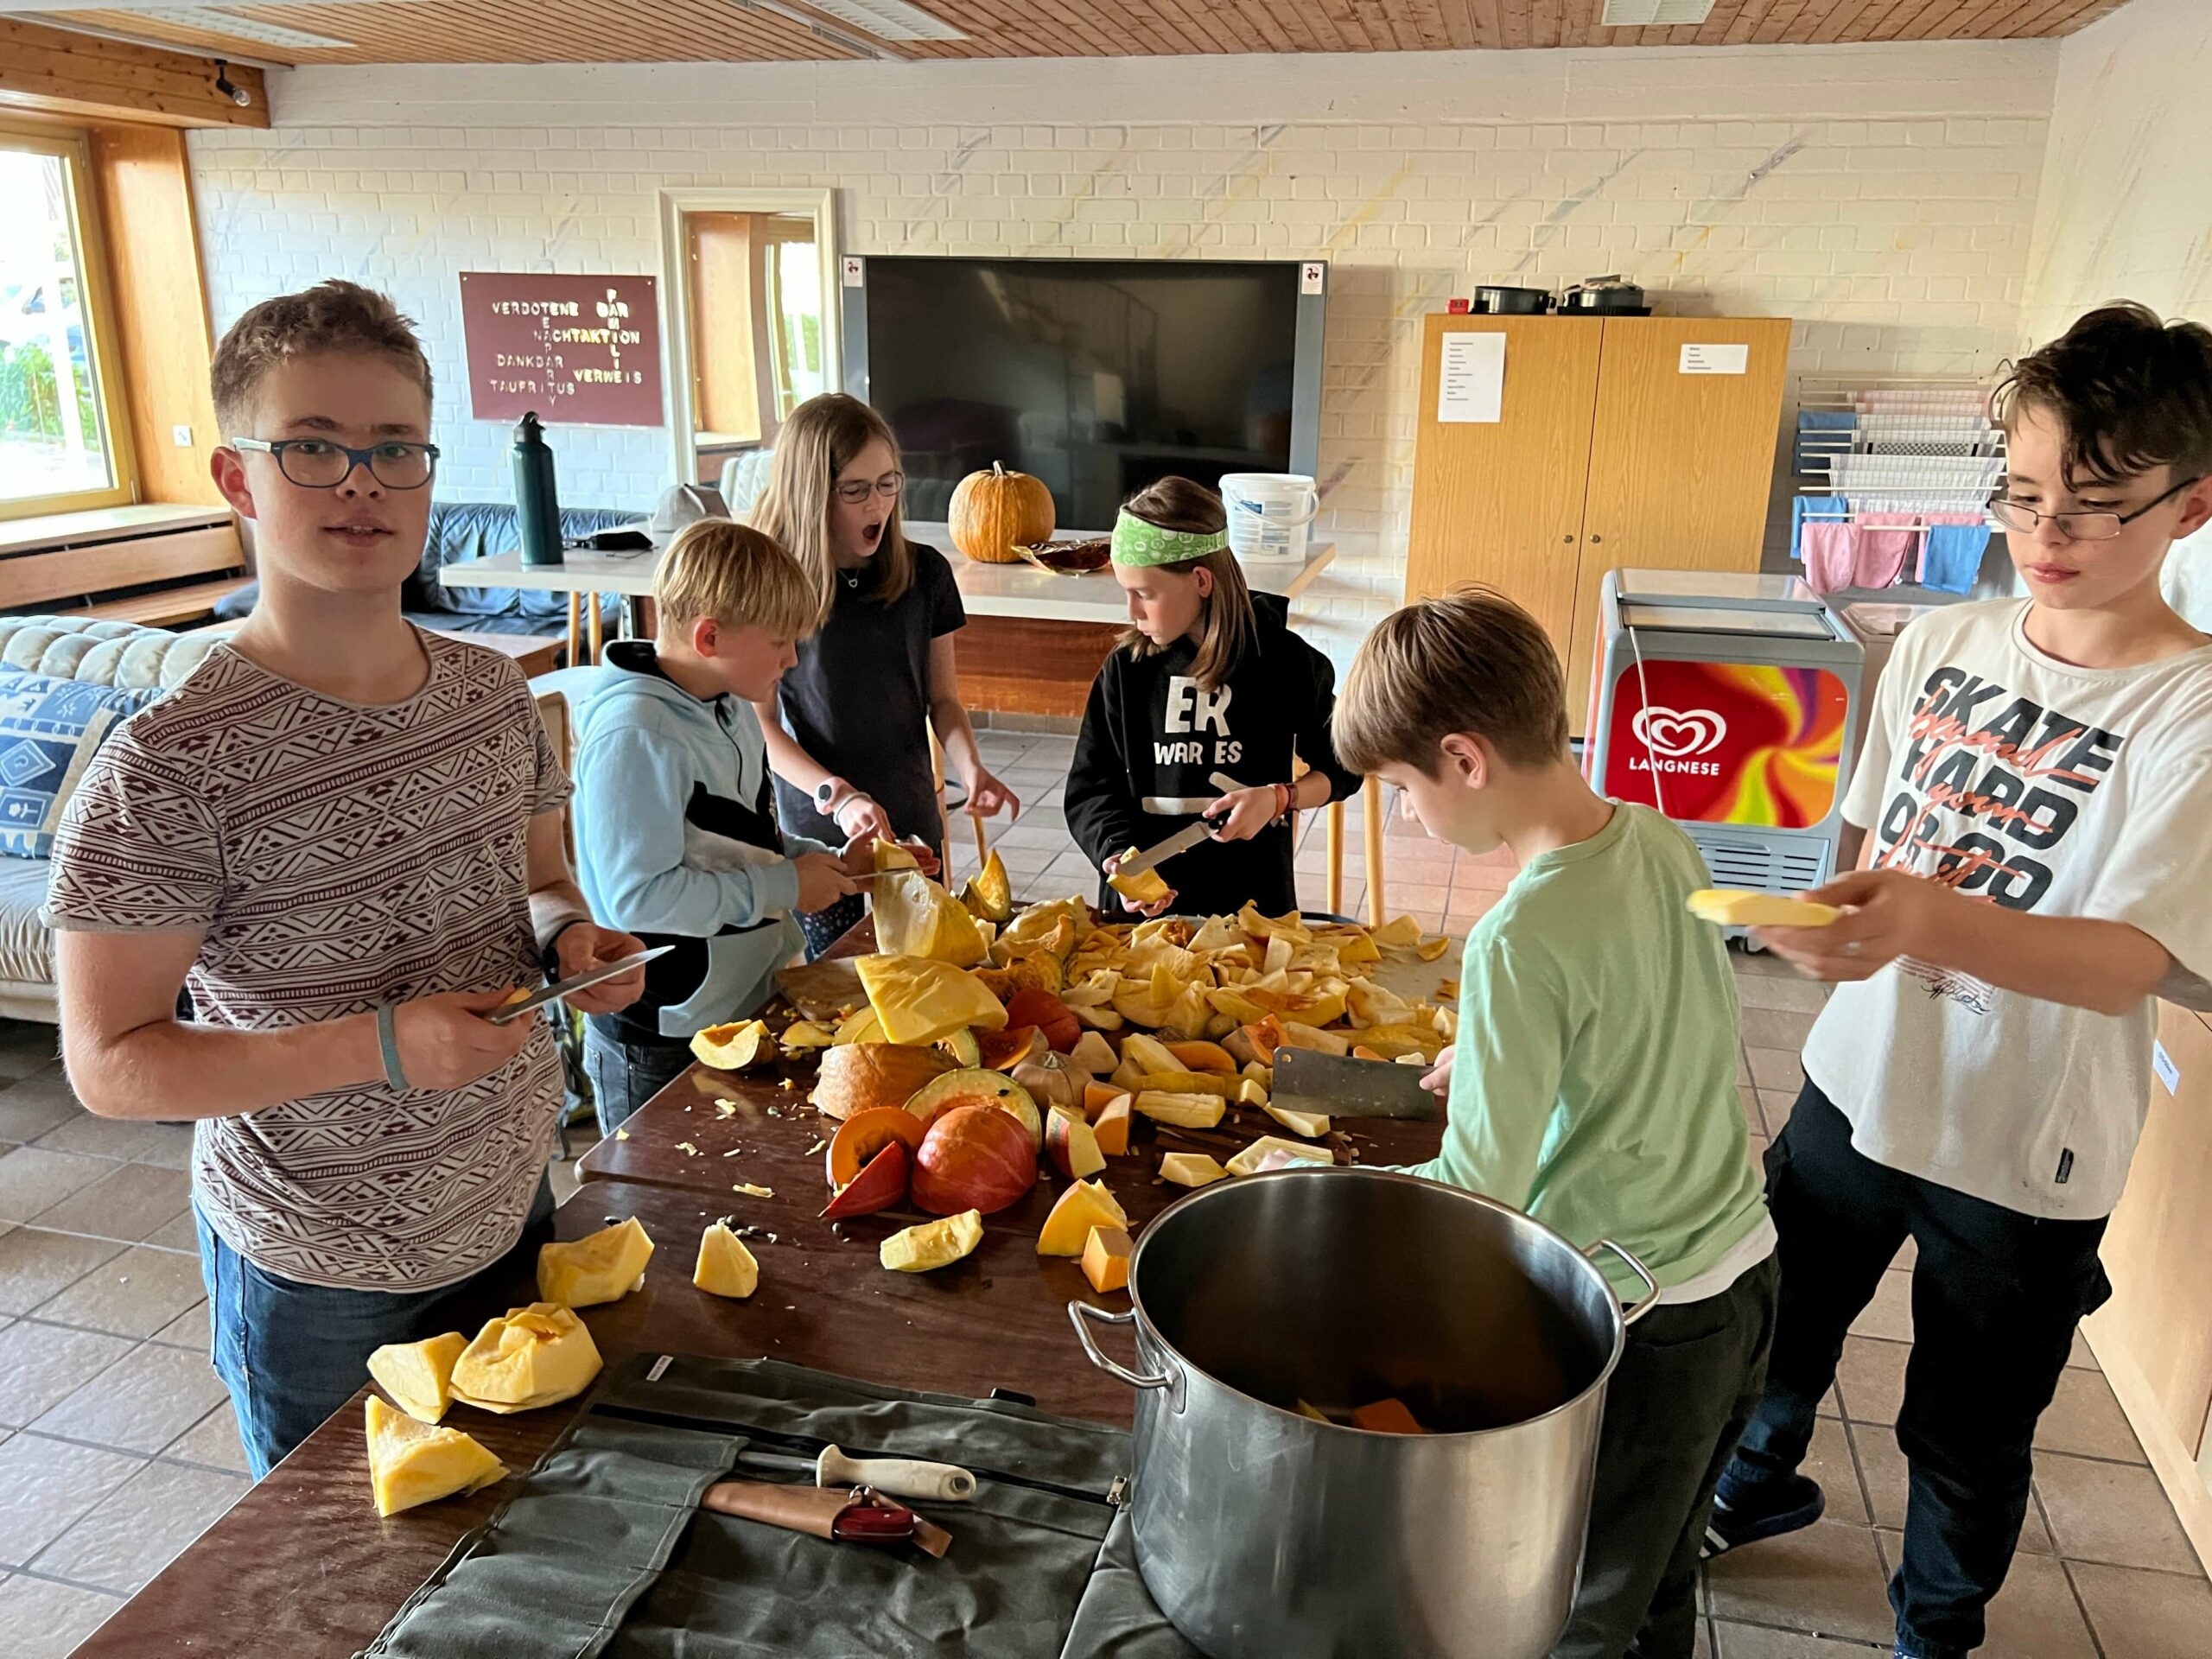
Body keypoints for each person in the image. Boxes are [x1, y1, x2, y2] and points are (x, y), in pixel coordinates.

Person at [43, 280, 646, 1477]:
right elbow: (110, 1062)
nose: (360, 484)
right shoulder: (167, 766)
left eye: (393, 451)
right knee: (349, 1600)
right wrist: (378, 1045)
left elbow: (538, 882)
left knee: (523, 1532)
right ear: (238, 479)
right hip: (319, 1272)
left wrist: (574, 944)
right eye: (313, 448)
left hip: (514, 1193)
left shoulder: (489, 696)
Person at [1705, 303, 2212, 1659]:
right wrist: (1819, 920)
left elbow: (2127, 965)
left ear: (2194, 506)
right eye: (2024, 494)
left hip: (2025, 1147)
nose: (2045, 537)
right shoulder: (1940, 645)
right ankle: (1754, 1488)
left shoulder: (2193, 712)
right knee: (1776, 1330)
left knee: (1967, 1429)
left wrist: (1927, 919)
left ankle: (1938, 1629)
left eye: (2094, 507)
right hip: (1855, 1082)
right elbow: (1866, 847)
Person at [1333, 588, 1777, 1659]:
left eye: (1401, 788)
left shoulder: (1514, 938)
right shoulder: (1655, 837)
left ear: (1464, 759)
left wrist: (1366, 1276)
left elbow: (1477, 1193)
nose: (1404, 814)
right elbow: (1657, 1016)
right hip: (1744, 1278)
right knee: (1657, 1572)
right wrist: (1501, 1059)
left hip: (1638, 1313)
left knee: (1571, 1611)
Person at [571, 519, 876, 1130]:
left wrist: (825, 862)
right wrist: (786, 888)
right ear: (709, 637)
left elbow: (741, 840)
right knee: (655, 1215)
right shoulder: (638, 733)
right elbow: (638, 899)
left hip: (743, 999)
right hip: (661, 1031)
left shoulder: (729, 701)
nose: (793, 659)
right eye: (781, 642)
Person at [748, 394, 1012, 956]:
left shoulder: (927, 574)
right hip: (817, 832)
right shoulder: (776, 583)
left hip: (910, 814)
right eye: (857, 490)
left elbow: (943, 701)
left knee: (933, 969)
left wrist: (973, 769)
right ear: (812, 493)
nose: (879, 504)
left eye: (889, 483)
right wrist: (838, 797)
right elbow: (763, 728)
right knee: (836, 991)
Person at [1065, 476, 1360, 918]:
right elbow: (1090, 790)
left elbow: (1343, 767)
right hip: (1142, 916)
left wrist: (1280, 798)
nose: (1132, 611)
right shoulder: (1126, 670)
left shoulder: (1286, 662)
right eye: (1126, 593)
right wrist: (1116, 859)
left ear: (1201, 580)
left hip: (1251, 906)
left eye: (1145, 594)